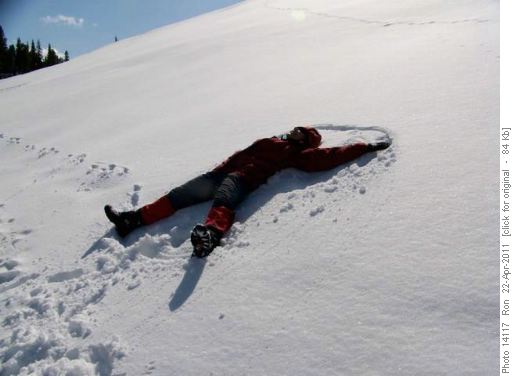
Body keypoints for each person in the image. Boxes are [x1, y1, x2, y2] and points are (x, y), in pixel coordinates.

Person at [104, 126, 390, 257]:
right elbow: (242, 151)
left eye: (301, 134)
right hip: (220, 172)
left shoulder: (296, 153)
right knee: (179, 195)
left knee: (225, 200)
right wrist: (222, 166)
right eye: (295, 130)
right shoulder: (271, 139)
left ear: (306, 142)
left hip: (243, 178)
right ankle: (132, 220)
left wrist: (363, 147)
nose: (294, 132)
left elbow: (328, 156)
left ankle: (210, 236)